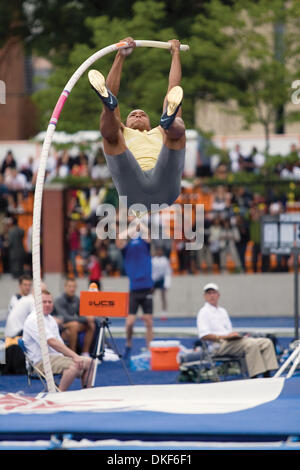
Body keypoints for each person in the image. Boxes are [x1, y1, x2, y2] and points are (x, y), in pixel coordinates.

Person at [88, 37, 186, 213]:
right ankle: (107, 104)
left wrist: (176, 53)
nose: (138, 114)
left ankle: (170, 119)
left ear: (150, 122)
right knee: (111, 137)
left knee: (176, 132)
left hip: (164, 184)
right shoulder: (122, 130)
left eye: (142, 114)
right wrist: (120, 54)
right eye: (133, 114)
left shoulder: (159, 131)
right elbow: (112, 90)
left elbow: (174, 87)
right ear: (126, 121)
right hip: (133, 190)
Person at [197, 283, 278, 378]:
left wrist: (235, 335)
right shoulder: (203, 312)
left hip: (230, 343)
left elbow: (228, 331)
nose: (211, 295)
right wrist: (226, 337)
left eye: (213, 293)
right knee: (250, 344)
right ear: (204, 296)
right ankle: (255, 376)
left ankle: (267, 374)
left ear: (218, 295)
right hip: (218, 346)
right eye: (208, 293)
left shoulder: (222, 311)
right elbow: (203, 335)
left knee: (266, 342)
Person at [23, 290, 94, 391]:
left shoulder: (50, 319)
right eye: (44, 302)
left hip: (54, 358)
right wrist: (74, 356)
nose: (47, 304)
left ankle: (88, 392)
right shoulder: (34, 319)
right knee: (74, 365)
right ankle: (59, 394)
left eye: (50, 302)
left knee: (90, 362)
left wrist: (73, 356)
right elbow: (51, 342)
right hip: (40, 362)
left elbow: (59, 343)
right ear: (37, 303)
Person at [116, 217, 153, 356]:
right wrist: (132, 226)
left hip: (147, 287)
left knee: (149, 321)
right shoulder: (127, 247)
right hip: (134, 289)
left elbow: (148, 234)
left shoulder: (145, 243)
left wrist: (137, 222)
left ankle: (149, 349)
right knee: (130, 322)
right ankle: (128, 343)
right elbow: (119, 239)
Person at [53, 278, 96, 356]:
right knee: (74, 324)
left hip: (72, 324)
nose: (72, 289)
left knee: (91, 324)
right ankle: (72, 354)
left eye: (74, 287)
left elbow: (81, 314)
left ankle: (85, 352)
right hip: (60, 326)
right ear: (65, 287)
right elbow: (65, 318)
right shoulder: (59, 300)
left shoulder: (76, 299)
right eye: (70, 286)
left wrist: (88, 317)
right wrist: (85, 318)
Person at [151, 247, 172, 319]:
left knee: (163, 297)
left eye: (161, 251)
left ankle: (164, 314)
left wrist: (167, 284)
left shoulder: (165, 260)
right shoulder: (153, 260)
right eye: (158, 251)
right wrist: (151, 282)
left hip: (162, 280)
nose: (159, 252)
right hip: (154, 280)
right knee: (149, 297)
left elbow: (168, 272)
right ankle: (149, 312)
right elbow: (151, 271)